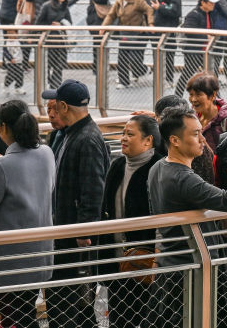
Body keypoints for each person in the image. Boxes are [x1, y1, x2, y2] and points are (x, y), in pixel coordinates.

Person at [147, 107, 227, 328]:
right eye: (195, 134)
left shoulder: (158, 168)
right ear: (175, 140)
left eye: (201, 131)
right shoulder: (183, 178)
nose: (202, 139)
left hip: (171, 266)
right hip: (193, 270)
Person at [0, 99, 55, 328]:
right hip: (42, 252)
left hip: (12, 260)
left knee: (18, 317)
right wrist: (4, 161)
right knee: (28, 312)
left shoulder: (2, 167)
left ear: (4, 128)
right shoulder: (47, 153)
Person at [45, 80, 110, 328]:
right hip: (67, 231)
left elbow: (93, 189)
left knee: (67, 303)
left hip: (74, 237)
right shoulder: (74, 133)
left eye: (56, 106)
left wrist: (84, 231)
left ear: (64, 106)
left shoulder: (87, 138)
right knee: (72, 303)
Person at [98, 115, 160, 328]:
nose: (123, 138)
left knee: (148, 319)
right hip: (117, 261)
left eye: (130, 134)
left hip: (145, 263)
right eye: (123, 133)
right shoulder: (117, 166)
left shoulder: (158, 167)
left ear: (148, 140)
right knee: (119, 320)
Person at [102, 0, 154, 89]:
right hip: (125, 33)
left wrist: (151, 23)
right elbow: (111, 15)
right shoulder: (119, 2)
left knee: (134, 58)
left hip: (138, 34)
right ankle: (124, 82)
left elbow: (149, 10)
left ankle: (144, 70)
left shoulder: (138, 0)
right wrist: (103, 27)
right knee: (122, 58)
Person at [176, 0, 218, 96]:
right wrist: (206, 37)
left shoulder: (208, 14)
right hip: (193, 51)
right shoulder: (193, 14)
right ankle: (177, 96)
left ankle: (215, 98)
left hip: (204, 51)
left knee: (209, 76)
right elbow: (189, 31)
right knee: (187, 75)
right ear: (203, 2)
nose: (213, 5)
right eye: (211, 3)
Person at [36, 0, 75, 89]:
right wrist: (50, 26)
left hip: (61, 41)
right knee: (48, 65)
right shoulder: (47, 6)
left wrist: (61, 25)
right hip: (49, 41)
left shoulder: (65, 7)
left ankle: (55, 87)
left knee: (59, 66)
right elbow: (38, 23)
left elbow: (70, 23)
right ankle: (48, 83)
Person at [186, 73, 227, 151]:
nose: (193, 99)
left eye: (198, 95)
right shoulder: (192, 116)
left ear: (213, 95)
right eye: (191, 95)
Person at [84, 0, 120, 75]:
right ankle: (99, 69)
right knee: (99, 44)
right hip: (97, 18)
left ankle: (100, 68)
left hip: (97, 18)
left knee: (100, 43)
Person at [149, 0, 183, 84]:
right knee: (156, 55)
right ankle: (158, 79)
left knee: (169, 56)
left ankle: (169, 80)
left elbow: (176, 11)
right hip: (156, 31)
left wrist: (161, 8)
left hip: (168, 30)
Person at [1, 0, 31, 91]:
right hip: (10, 16)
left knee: (8, 41)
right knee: (12, 40)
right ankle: (13, 62)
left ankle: (7, 63)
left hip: (4, 15)